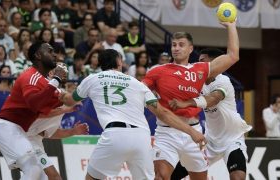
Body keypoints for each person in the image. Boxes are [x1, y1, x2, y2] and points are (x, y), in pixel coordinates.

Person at [59, 49, 206, 180]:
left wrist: (58, 89)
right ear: (119, 62)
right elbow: (163, 113)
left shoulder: (92, 79)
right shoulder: (137, 83)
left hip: (115, 134)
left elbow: (70, 100)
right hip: (141, 138)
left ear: (99, 64)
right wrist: (191, 131)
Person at [142, 20, 240, 180]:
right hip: (166, 133)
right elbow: (140, 90)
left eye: (181, 44)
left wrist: (231, 26)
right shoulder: (157, 71)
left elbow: (232, 55)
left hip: (194, 134)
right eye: (173, 45)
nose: (176, 48)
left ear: (190, 49)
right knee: (160, 176)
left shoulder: (200, 69)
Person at [169, 48, 252, 180]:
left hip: (232, 139)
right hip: (209, 141)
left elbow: (213, 100)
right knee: (172, 174)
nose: (199, 65)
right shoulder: (197, 82)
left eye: (202, 61)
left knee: (238, 177)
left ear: (215, 63)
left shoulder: (223, 80)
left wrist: (187, 103)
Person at [0, 41, 68, 180]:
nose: (54, 54)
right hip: (7, 127)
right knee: (33, 168)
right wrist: (56, 79)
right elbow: (34, 104)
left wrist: (80, 95)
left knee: (41, 175)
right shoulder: (31, 76)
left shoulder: (46, 83)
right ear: (38, 55)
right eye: (50, 51)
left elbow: (56, 104)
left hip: (19, 130)